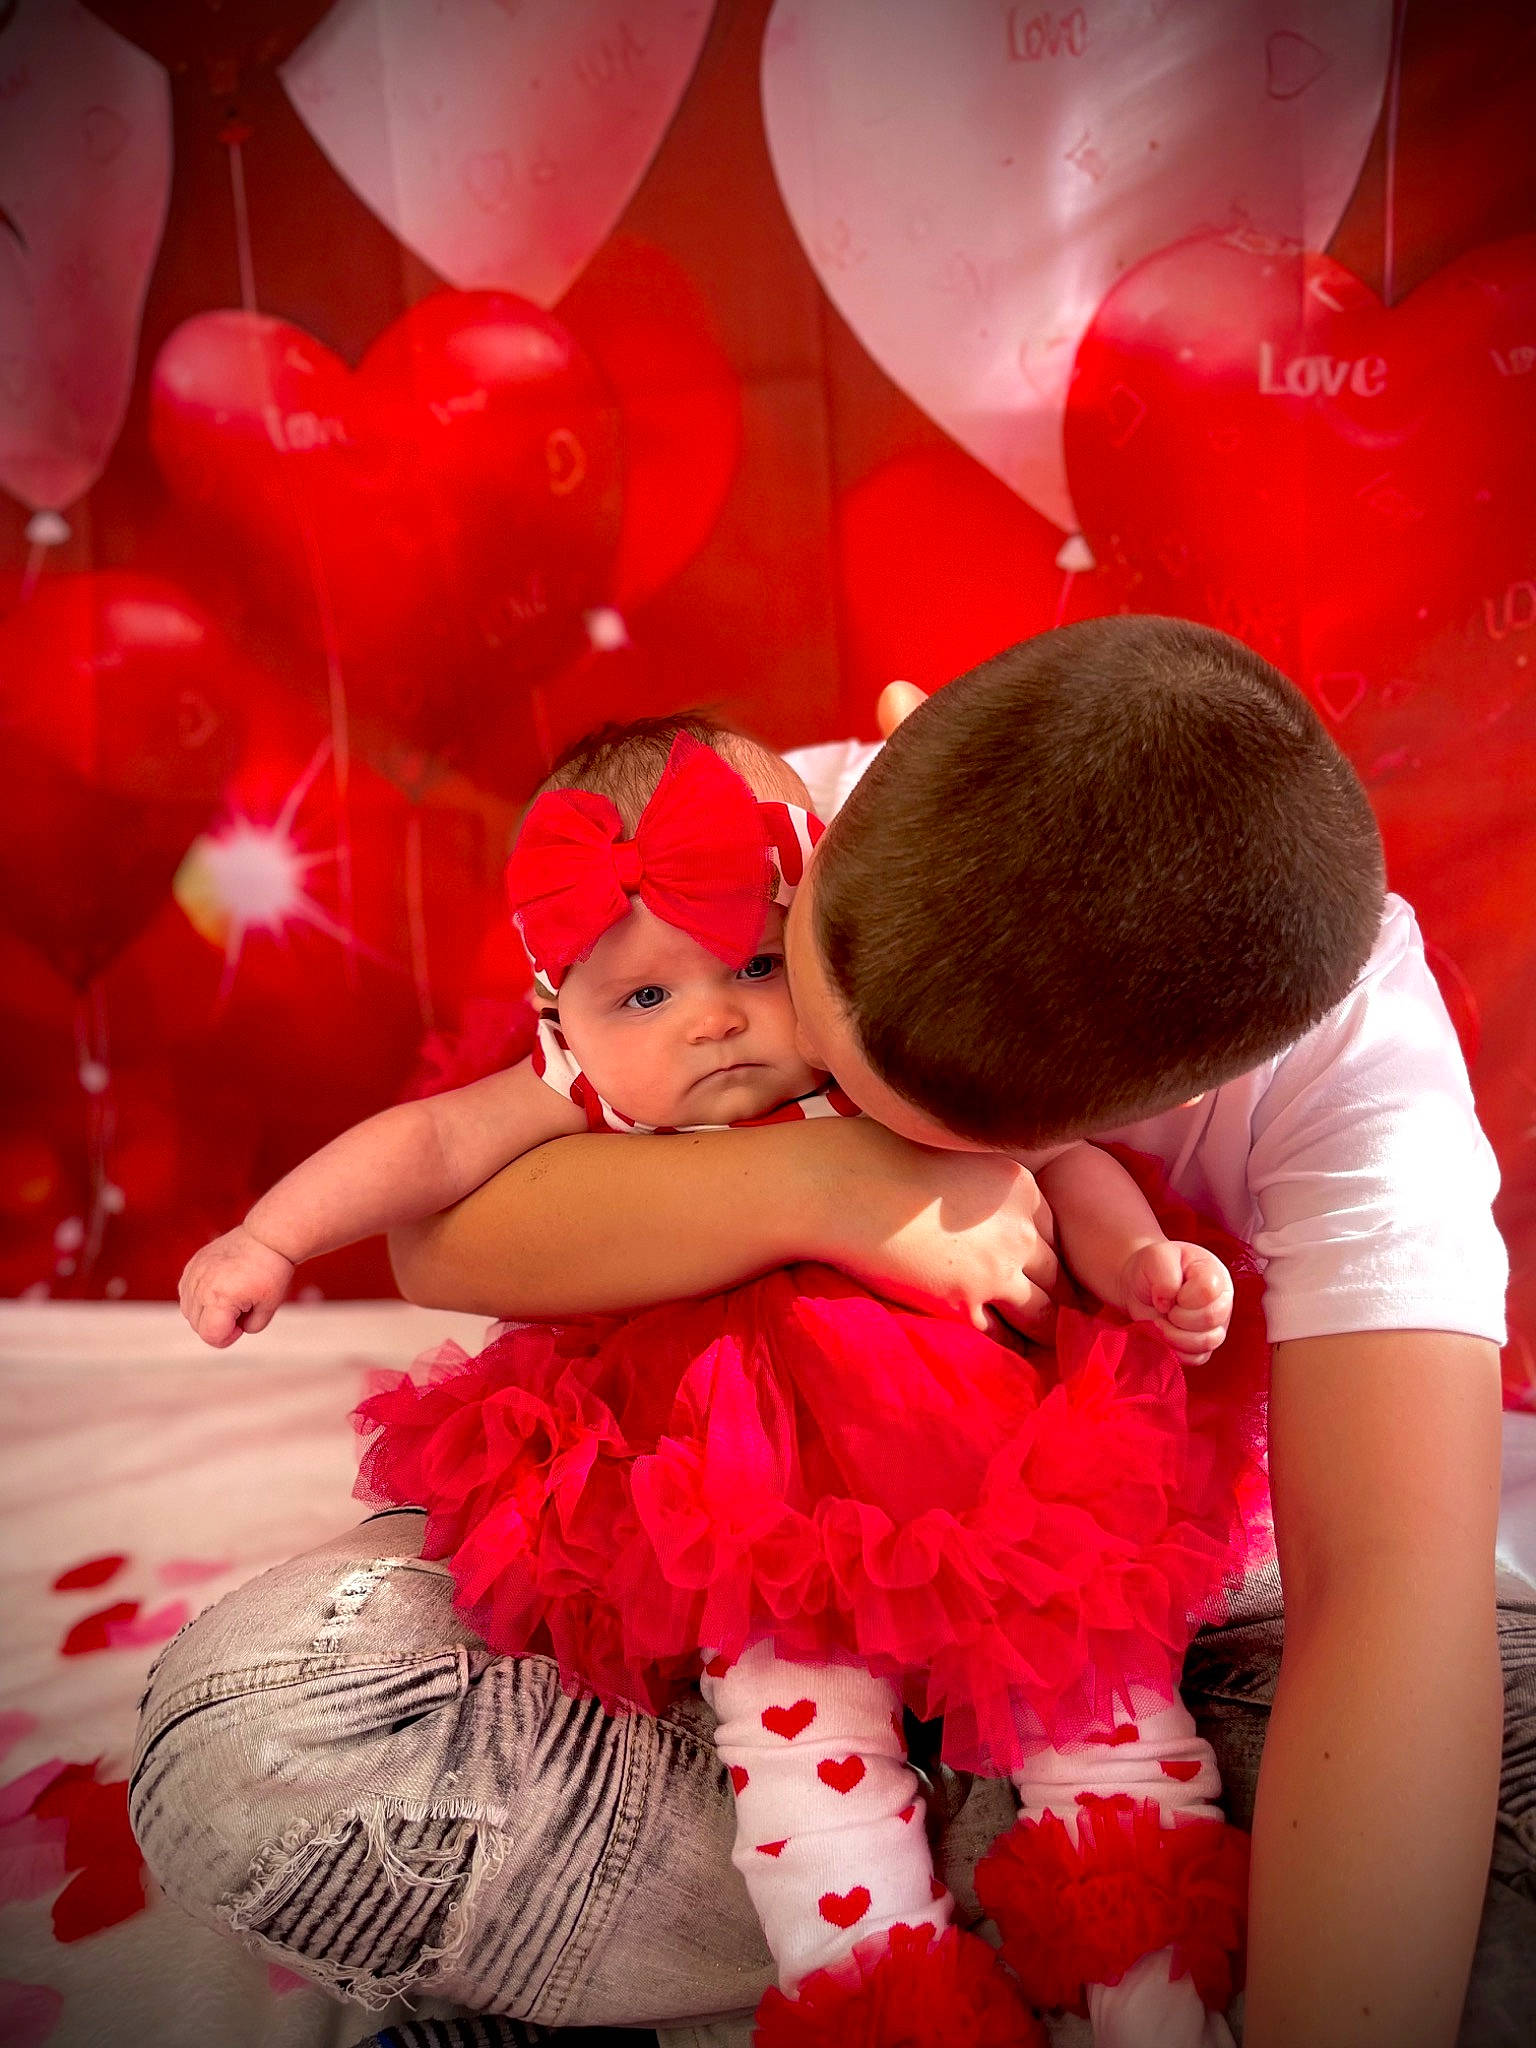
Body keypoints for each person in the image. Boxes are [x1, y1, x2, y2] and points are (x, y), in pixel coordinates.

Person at [132, 619, 1524, 2048]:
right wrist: (825, 1179)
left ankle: (911, 1937)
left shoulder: (1365, 1087)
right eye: (807, 969)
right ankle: (906, 1939)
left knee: (1476, 1807)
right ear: (880, 766)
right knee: (252, 1727)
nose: (746, 1034)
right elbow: (450, 1225)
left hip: (1115, 1594)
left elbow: (1393, 1586)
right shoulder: (747, 822)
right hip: (736, 1578)